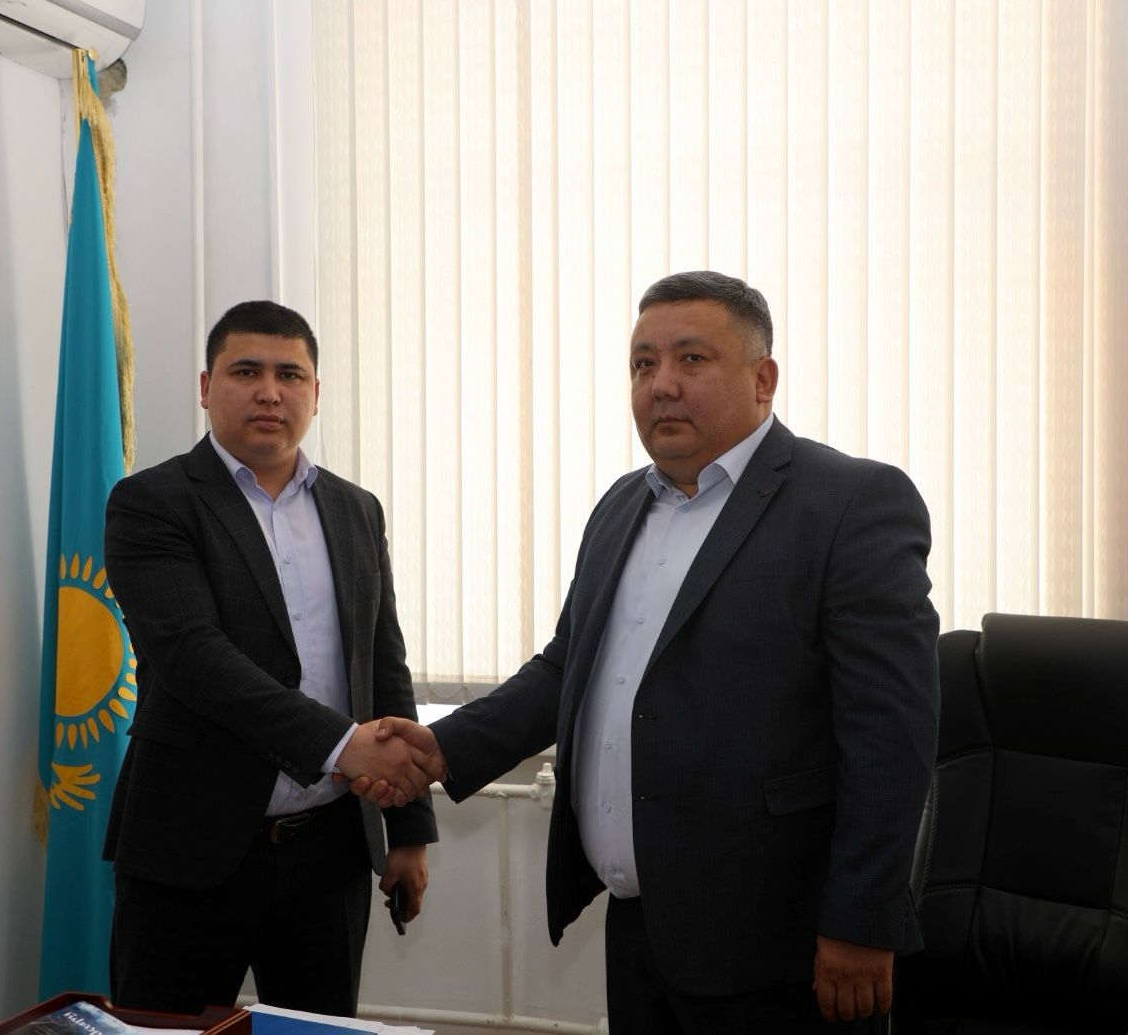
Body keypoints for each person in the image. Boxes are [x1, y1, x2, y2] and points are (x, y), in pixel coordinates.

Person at [357, 271, 939, 1032]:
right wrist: (442, 748)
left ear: (763, 379)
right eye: (643, 364)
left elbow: (890, 736)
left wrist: (862, 920)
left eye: (691, 359)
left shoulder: (850, 504)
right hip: (639, 929)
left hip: (784, 944)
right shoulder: (621, 506)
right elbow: (567, 668)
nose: (661, 384)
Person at [102, 300, 442, 1017]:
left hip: (328, 853)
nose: (269, 392)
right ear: (206, 387)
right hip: (189, 848)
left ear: (315, 393)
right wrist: (345, 746)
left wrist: (409, 830)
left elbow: (383, 665)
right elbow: (195, 660)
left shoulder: (356, 509)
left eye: (290, 375)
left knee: (318, 1031)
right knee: (167, 1030)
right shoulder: (151, 502)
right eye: (246, 372)